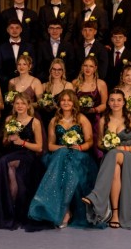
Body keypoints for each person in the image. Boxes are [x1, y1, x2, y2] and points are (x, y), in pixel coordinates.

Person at [28, 90, 96, 228]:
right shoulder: (54, 120)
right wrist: (64, 147)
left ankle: (64, 209)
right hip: (59, 155)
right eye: (63, 100)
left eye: (69, 100)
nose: (66, 103)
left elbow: (90, 142)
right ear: (59, 103)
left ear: (74, 103)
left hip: (78, 155)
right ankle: (65, 210)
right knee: (64, 157)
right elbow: (50, 146)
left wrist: (79, 147)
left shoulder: (81, 119)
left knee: (68, 165)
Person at [82, 89, 131, 229]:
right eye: (112, 100)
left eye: (119, 100)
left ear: (124, 102)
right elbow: (99, 144)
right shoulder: (103, 120)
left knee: (113, 153)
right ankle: (115, 214)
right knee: (115, 168)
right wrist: (108, 145)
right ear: (108, 103)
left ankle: (96, 196)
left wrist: (123, 148)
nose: (115, 103)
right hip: (112, 160)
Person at [0, 93, 45, 230]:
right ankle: (11, 208)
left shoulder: (34, 122)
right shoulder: (9, 119)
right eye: (17, 103)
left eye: (23, 103)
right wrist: (8, 139)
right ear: (13, 105)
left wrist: (22, 142)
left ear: (28, 105)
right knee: (7, 166)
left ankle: (13, 209)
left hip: (27, 155)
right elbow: (4, 142)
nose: (20, 106)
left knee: (5, 163)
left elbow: (39, 147)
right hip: (11, 153)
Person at [73, 56, 108, 156]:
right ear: (82, 67)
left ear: (95, 68)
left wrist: (94, 110)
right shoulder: (75, 83)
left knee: (95, 149)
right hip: (78, 119)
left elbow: (104, 104)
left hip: (95, 119)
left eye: (91, 66)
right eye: (85, 66)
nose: (88, 69)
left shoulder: (101, 83)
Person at [75, 20, 109, 85]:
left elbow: (103, 71)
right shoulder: (77, 47)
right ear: (82, 32)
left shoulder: (101, 49)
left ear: (95, 32)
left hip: (95, 83)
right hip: (79, 82)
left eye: (90, 30)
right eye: (85, 30)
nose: (87, 33)